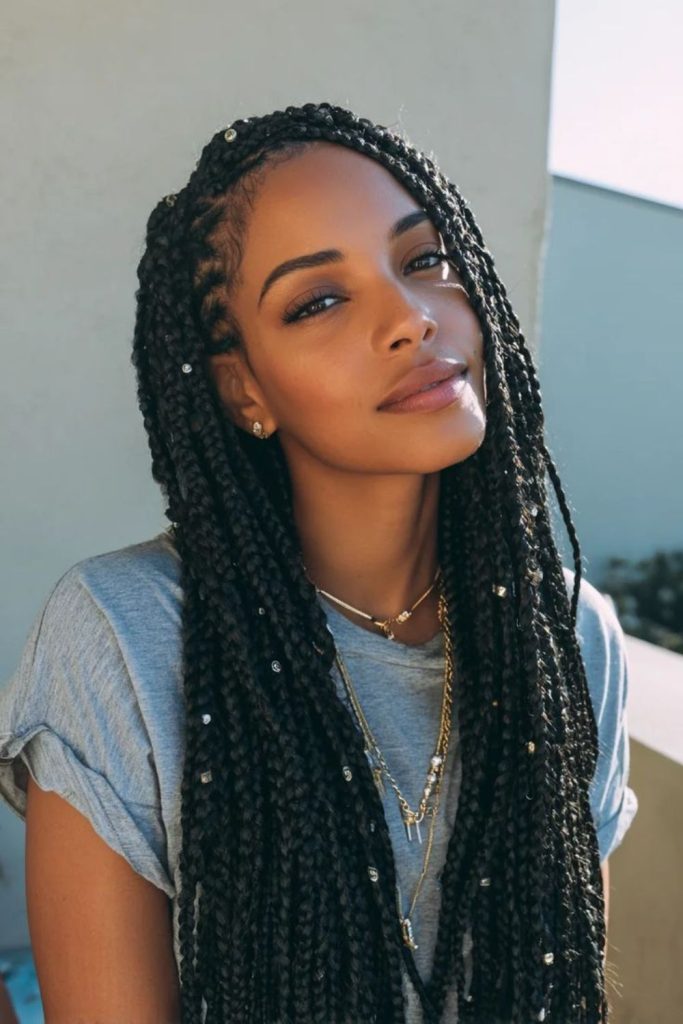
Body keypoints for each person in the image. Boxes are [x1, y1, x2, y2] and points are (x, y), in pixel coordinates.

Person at [0, 101, 638, 1023]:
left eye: (425, 261)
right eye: (319, 301)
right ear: (243, 388)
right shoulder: (124, 637)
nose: (411, 318)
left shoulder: (571, 638)